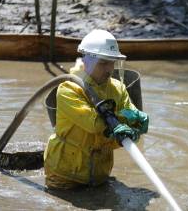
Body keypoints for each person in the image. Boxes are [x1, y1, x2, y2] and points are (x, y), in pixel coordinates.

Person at [44, 29, 149, 189]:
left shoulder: (117, 88)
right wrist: (121, 121)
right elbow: (94, 124)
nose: (109, 69)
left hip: (99, 176)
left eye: (112, 62)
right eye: (103, 63)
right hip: (64, 176)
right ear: (87, 61)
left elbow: (127, 121)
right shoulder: (68, 89)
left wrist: (136, 123)